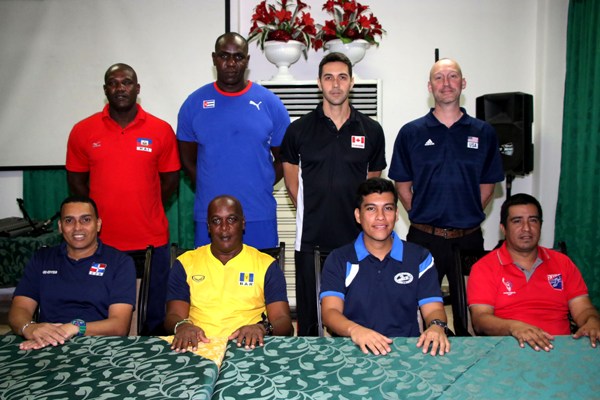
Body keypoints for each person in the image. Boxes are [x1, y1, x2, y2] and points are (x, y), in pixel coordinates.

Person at [388, 58, 504, 334]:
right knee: (416, 314)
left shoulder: (484, 132)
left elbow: (488, 186)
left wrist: (466, 213)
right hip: (424, 239)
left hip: (469, 239)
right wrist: (423, 214)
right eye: (439, 78)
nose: (446, 83)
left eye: (453, 76)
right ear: (430, 87)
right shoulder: (411, 132)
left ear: (463, 83)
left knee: (472, 317)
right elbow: (402, 185)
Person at [66, 63, 180, 334]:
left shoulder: (160, 130)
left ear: (137, 88)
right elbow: (77, 184)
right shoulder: (83, 130)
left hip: (151, 242)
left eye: (126, 82)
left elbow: (170, 181)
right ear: (105, 90)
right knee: (100, 315)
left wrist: (145, 206)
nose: (120, 88)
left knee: (153, 319)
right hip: (100, 244)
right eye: (113, 83)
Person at [281, 52, 387, 336]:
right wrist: (315, 210)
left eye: (342, 77)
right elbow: (292, 185)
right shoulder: (298, 130)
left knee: (356, 319)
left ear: (352, 82)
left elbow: (371, 190)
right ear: (319, 83)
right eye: (328, 78)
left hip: (356, 242)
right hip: (310, 241)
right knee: (310, 323)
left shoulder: (372, 130)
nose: (336, 84)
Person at [177, 32, 290, 249]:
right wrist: (209, 184)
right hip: (210, 217)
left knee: (261, 272)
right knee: (209, 272)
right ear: (214, 59)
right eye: (224, 56)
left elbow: (284, 158)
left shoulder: (270, 103)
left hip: (258, 214)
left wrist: (262, 182)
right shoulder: (194, 104)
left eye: (238, 57)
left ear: (247, 60)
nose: (231, 63)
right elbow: (187, 160)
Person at [320, 178, 450, 356]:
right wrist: (355, 330)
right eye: (371, 209)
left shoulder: (419, 257)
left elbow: (433, 308)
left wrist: (436, 326)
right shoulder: (339, 259)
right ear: (358, 215)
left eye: (388, 208)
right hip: (353, 349)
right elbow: (330, 312)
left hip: (407, 351)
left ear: (396, 214)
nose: (380, 216)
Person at [468, 193, 600, 351]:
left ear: (540, 225)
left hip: (560, 349)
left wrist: (592, 320)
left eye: (533, 220)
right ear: (503, 228)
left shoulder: (562, 263)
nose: (526, 228)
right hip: (510, 349)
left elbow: (583, 309)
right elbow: (480, 320)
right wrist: (513, 327)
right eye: (517, 221)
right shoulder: (484, 267)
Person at [165, 195, 293, 352]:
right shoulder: (185, 263)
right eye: (216, 221)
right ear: (208, 227)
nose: (224, 227)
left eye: (231, 219)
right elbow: (173, 316)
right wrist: (182, 326)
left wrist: (262, 328)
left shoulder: (266, 265)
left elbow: (283, 321)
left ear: (243, 223)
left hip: (249, 347)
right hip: (197, 347)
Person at [8, 196, 136, 350]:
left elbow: (119, 326)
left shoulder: (120, 262)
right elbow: (19, 309)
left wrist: (74, 328)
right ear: (60, 226)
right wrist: (29, 328)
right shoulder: (42, 259)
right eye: (69, 221)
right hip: (45, 344)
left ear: (98, 224)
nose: (77, 227)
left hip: (98, 346)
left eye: (86, 220)